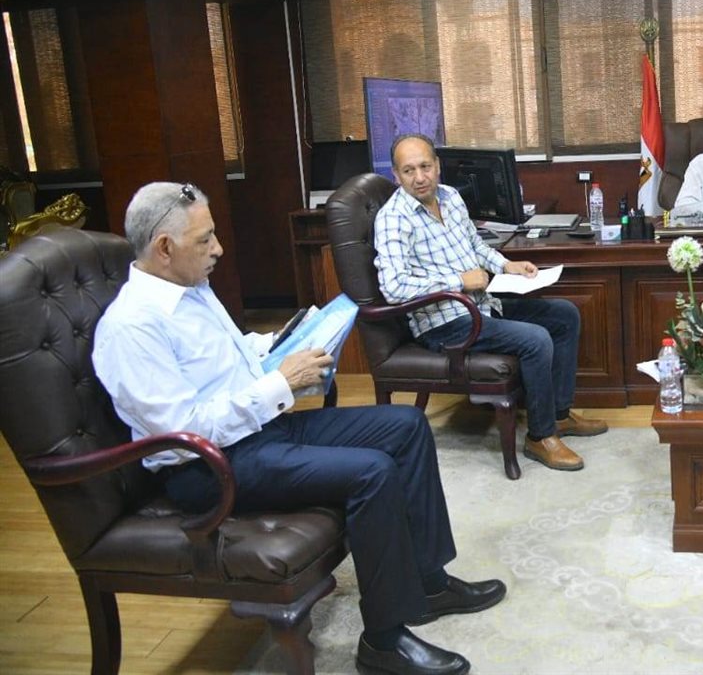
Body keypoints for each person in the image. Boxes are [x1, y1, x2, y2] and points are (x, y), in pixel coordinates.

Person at [92, 181, 503, 675]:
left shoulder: (190, 287)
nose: (218, 249)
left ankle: (429, 582)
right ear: (164, 247)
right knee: (372, 471)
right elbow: (184, 432)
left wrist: (286, 344)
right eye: (205, 239)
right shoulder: (132, 327)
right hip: (208, 469)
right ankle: (384, 640)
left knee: (407, 425)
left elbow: (230, 357)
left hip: (259, 431)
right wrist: (280, 384)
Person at [374, 134, 608, 472]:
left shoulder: (450, 197)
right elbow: (394, 287)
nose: (420, 177)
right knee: (536, 339)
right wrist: (459, 281)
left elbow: (475, 246)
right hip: (444, 323)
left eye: (425, 166)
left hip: (479, 306)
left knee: (564, 315)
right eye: (409, 171)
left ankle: (558, 416)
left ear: (437, 166)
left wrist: (506, 265)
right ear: (396, 176)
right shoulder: (393, 219)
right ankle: (540, 437)